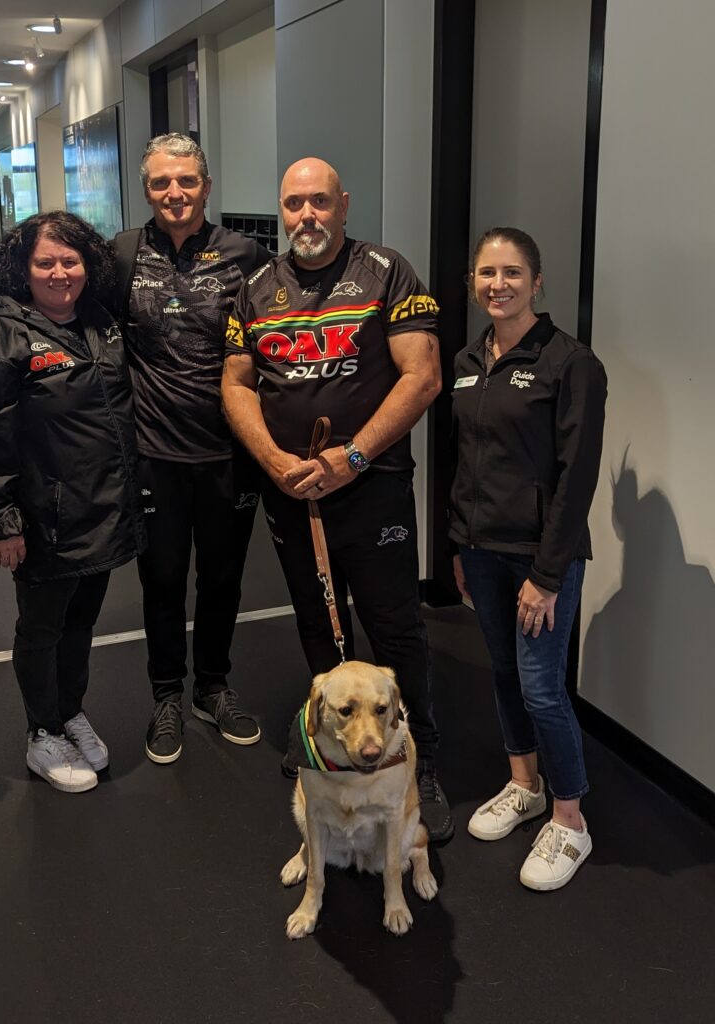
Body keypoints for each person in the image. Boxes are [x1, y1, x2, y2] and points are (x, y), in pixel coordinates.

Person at [221, 157, 453, 842]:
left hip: (370, 489)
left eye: (319, 202)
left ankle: (420, 760)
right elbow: (236, 384)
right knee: (320, 630)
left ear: (344, 205)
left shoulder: (388, 271)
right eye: (294, 204)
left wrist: (353, 457)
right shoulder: (258, 288)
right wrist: (274, 460)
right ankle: (329, 744)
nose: (306, 217)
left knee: (395, 628)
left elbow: (424, 375)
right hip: (293, 490)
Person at [0, 211, 145, 794]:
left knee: (80, 622)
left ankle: (68, 711)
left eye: (71, 260)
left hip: (101, 511)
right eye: (45, 262)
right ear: (21, 267)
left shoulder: (100, 321)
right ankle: (41, 732)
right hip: (42, 519)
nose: (60, 273)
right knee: (41, 628)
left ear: (89, 265)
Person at [450, 226, 607, 889]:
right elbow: (466, 462)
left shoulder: (571, 364)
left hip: (541, 559)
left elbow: (577, 480)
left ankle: (570, 821)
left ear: (536, 282)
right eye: (486, 273)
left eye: (512, 273)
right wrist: (459, 546)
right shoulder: (467, 359)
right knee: (506, 676)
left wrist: (546, 576)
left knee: (543, 686)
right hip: (480, 551)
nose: (498, 284)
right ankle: (525, 786)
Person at [110, 133, 271, 765]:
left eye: (185, 182)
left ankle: (213, 686)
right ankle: (166, 696)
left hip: (230, 453)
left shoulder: (248, 256)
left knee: (224, 579)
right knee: (163, 579)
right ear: (146, 190)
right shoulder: (122, 254)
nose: (173, 193)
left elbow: (272, 341)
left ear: (205, 186)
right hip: (154, 453)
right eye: (159, 184)